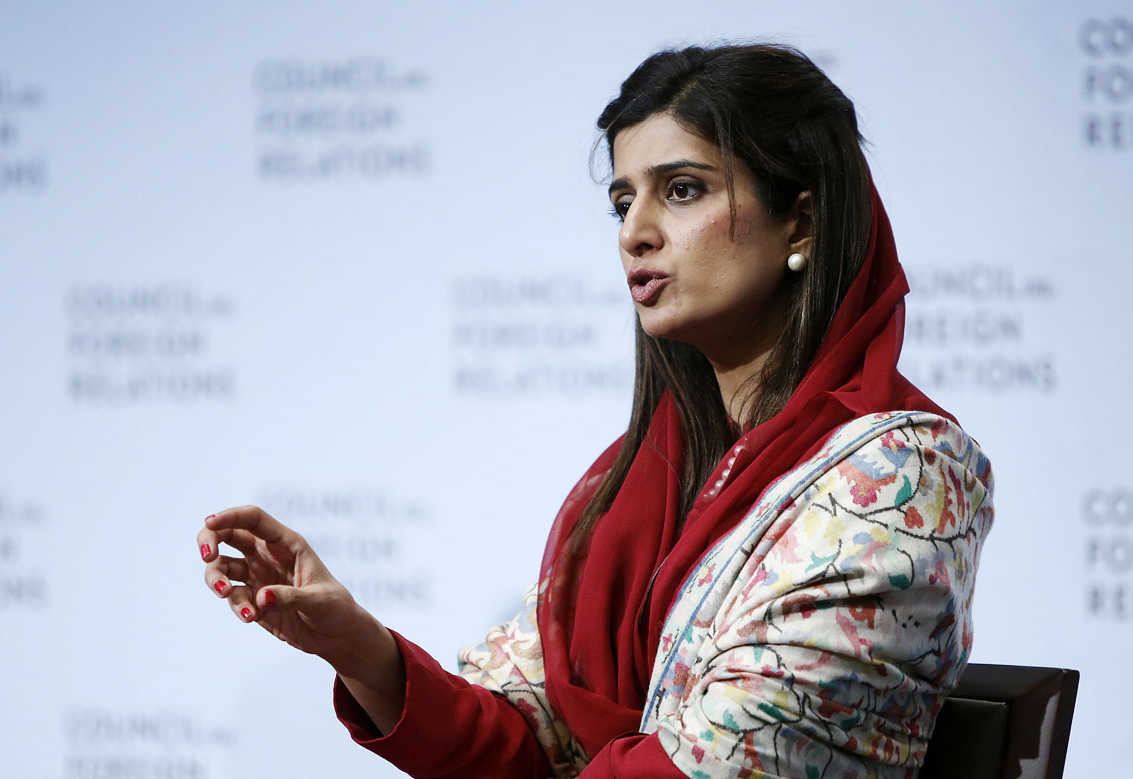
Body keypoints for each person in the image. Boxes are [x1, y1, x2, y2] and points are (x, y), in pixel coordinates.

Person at [197, 44, 993, 778]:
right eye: (622, 202)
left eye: (682, 190)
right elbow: (521, 738)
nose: (635, 234)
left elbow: (724, 765)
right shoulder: (638, 481)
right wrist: (361, 648)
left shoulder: (903, 471)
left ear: (804, 219)